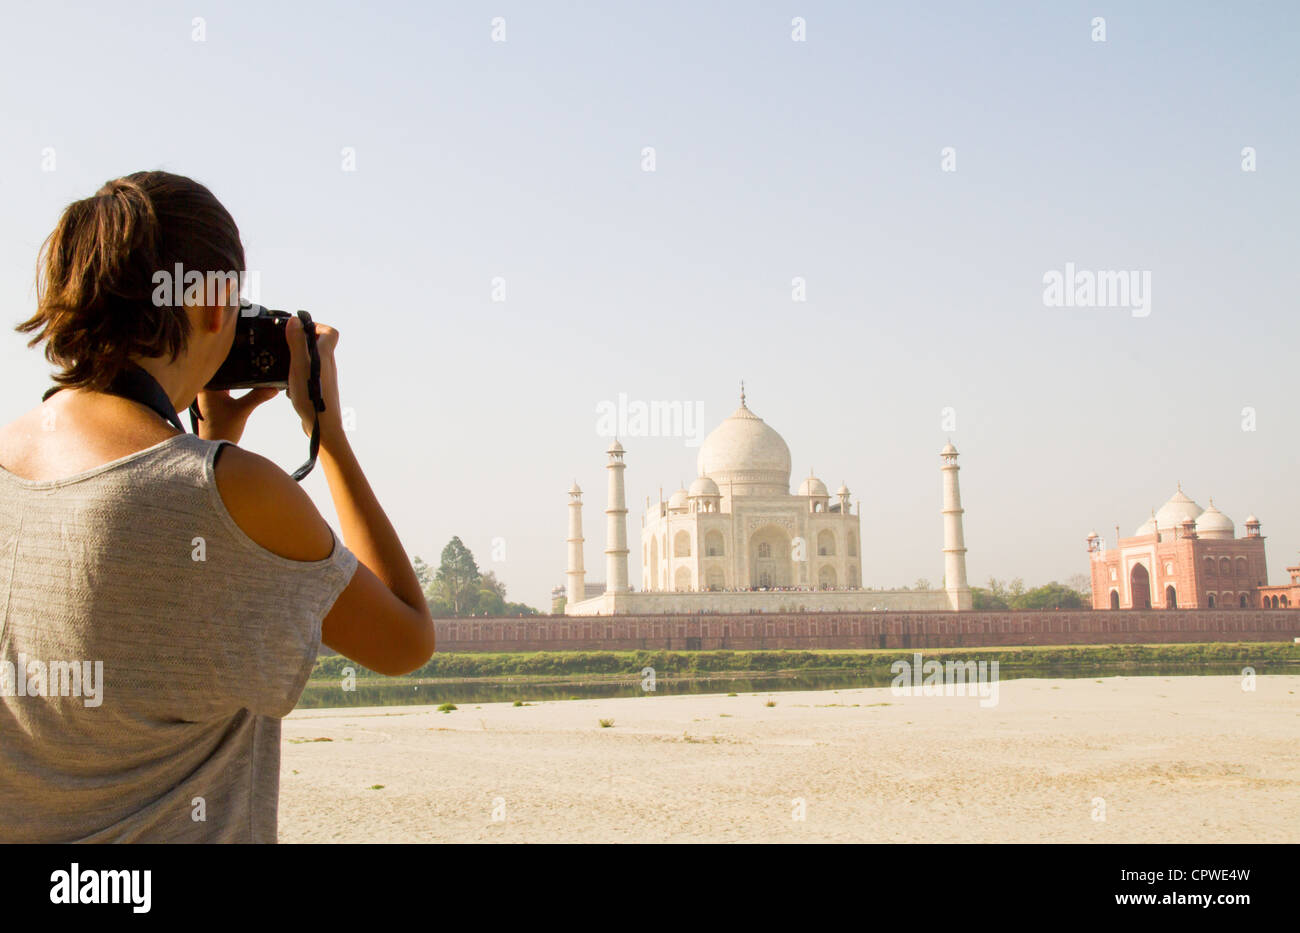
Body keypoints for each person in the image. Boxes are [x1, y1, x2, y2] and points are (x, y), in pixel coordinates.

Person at [0, 171, 435, 842]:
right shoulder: (240, 495)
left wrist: (208, 448)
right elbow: (406, 639)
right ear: (212, 306)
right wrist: (330, 434)